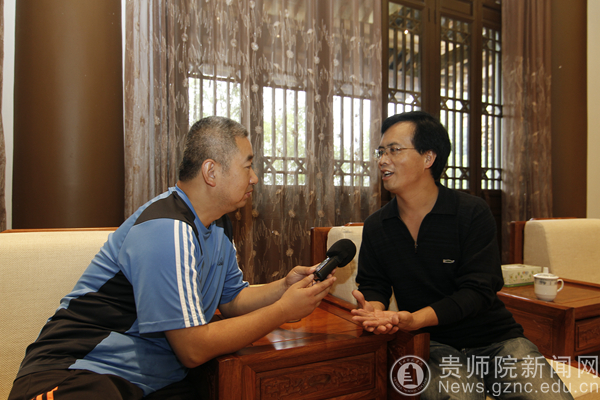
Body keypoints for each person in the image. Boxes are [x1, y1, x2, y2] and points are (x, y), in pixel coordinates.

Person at [8, 116, 335, 400]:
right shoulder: (167, 228)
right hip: (81, 370)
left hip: (153, 381)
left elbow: (232, 299)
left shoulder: (218, 225)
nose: (255, 178)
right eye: (248, 166)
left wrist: (282, 288)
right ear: (211, 171)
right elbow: (193, 349)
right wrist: (282, 311)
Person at [351, 111, 573, 399]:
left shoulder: (471, 212)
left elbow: (478, 291)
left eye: (394, 150)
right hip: (432, 344)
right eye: (381, 151)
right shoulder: (377, 225)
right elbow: (374, 284)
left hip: (496, 341)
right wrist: (375, 310)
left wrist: (414, 319)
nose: (382, 160)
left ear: (428, 158)